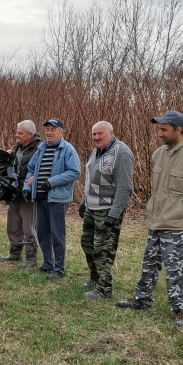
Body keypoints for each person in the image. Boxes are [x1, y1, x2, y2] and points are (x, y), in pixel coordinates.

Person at [116, 110, 183, 327]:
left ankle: (181, 309)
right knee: (150, 262)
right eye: (159, 129)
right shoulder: (159, 154)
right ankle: (142, 300)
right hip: (157, 219)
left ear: (178, 130)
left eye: (164, 129)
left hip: (178, 223)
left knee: (176, 267)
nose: (160, 134)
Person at [79, 121, 135, 299]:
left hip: (107, 210)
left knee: (102, 248)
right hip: (91, 207)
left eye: (100, 134)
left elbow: (125, 187)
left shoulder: (122, 152)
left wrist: (114, 213)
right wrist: (83, 202)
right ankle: (94, 279)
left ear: (111, 133)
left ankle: (105, 289)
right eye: (94, 134)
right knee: (87, 243)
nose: (96, 137)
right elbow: (89, 180)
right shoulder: (97, 151)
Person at [22, 118, 81, 279]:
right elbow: (31, 169)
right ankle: (48, 263)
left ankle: (59, 268)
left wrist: (51, 182)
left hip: (57, 198)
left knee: (57, 234)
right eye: (47, 129)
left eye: (53, 129)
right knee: (42, 232)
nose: (49, 132)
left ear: (61, 132)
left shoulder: (68, 149)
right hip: (40, 197)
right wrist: (27, 188)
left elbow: (75, 172)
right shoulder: (41, 148)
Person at [1, 120, 43, 267]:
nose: (16, 135)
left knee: (28, 226)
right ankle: (14, 253)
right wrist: (8, 157)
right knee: (13, 223)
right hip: (14, 191)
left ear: (30, 135)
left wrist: (34, 180)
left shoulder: (39, 149)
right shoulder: (18, 146)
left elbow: (43, 170)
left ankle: (31, 257)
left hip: (28, 193)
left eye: (20, 133)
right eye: (17, 132)